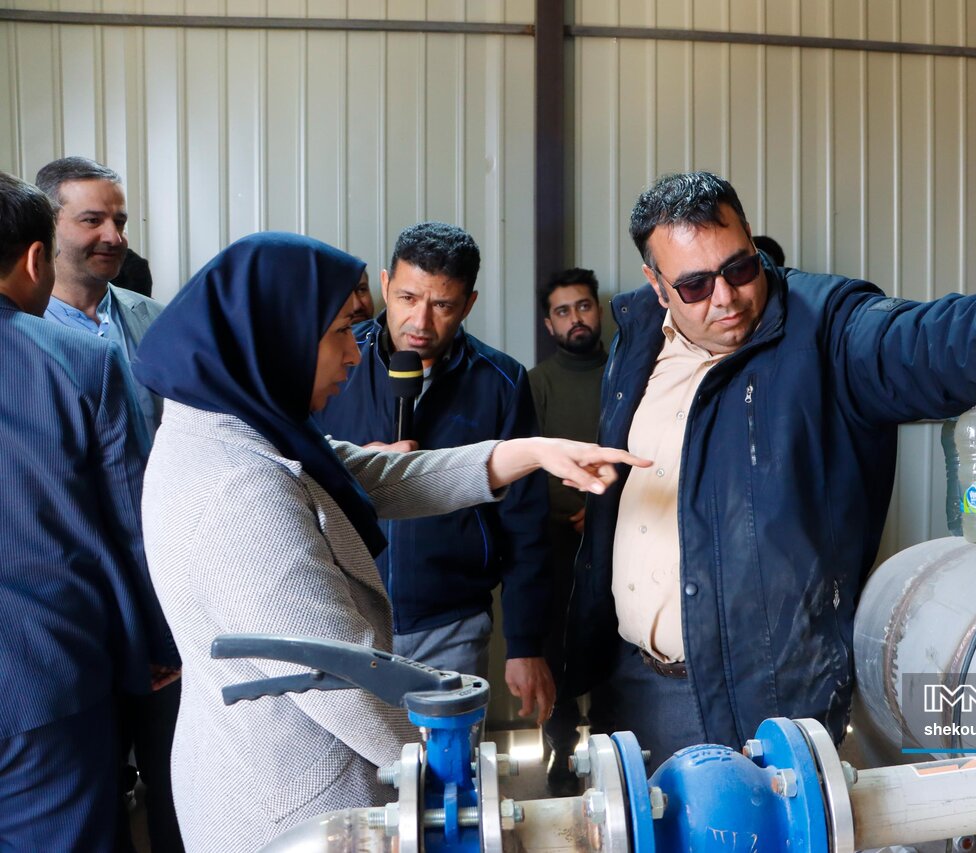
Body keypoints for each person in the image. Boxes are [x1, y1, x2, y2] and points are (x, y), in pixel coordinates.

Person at [565, 171, 976, 765]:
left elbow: (931, 340)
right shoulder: (638, 338)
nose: (726, 297)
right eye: (696, 286)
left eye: (740, 268)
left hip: (752, 703)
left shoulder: (827, 331)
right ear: (657, 285)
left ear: (753, 243)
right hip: (633, 683)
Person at [133, 231, 644, 852]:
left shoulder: (231, 428)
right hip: (296, 798)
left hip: (275, 766)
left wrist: (529, 452)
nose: (355, 354)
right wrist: (458, 781)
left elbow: (378, 473)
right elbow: (336, 680)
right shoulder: (240, 487)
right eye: (339, 333)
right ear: (280, 336)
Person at [0, 172, 179, 851]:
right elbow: (132, 520)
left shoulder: (145, 320)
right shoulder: (79, 360)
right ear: (35, 258)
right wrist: (160, 642)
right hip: (46, 671)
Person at [314, 222, 555, 725]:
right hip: (343, 617)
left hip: (451, 626)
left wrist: (526, 643)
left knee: (449, 770)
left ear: (468, 304)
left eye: (442, 305)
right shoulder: (333, 359)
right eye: (407, 298)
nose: (420, 321)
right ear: (385, 286)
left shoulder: (501, 381)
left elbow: (526, 523)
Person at [528, 267, 607, 795]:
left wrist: (602, 510)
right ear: (549, 324)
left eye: (583, 306)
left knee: (615, 646)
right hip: (556, 543)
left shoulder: (630, 372)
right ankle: (561, 746)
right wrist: (572, 510)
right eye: (562, 311)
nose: (575, 318)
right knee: (554, 647)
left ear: (597, 310)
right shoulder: (536, 384)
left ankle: (611, 748)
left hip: (622, 536)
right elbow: (527, 467)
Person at [36, 156, 165, 439]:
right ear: (48, 226)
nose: (114, 238)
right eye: (92, 220)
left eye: (119, 222)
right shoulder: (15, 333)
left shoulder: (160, 321)